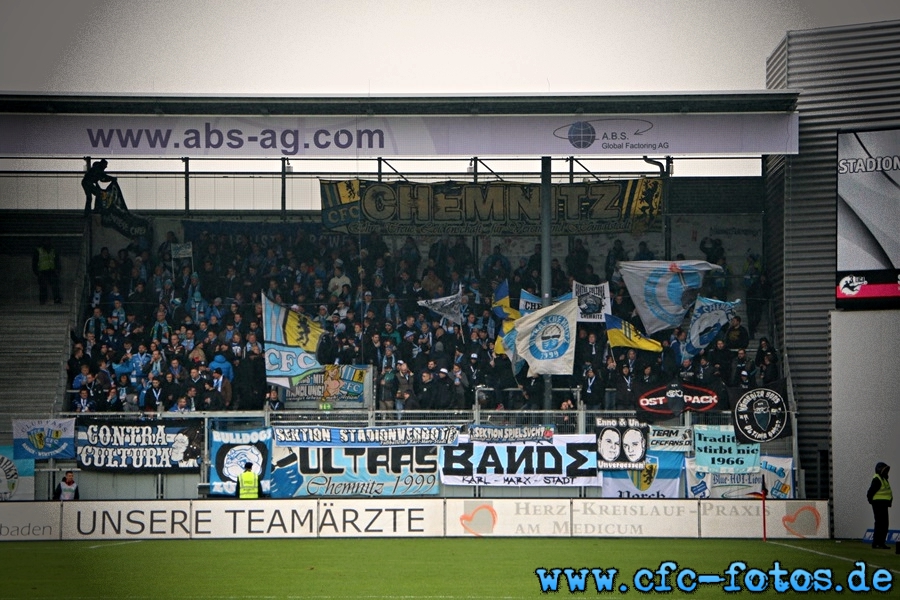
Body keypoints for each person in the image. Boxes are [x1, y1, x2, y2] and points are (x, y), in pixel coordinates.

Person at [866, 462, 892, 549]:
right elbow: (870, 492)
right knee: (880, 523)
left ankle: (881, 543)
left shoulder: (883, 479)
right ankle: (877, 543)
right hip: (878, 504)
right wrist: (872, 501)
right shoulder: (877, 479)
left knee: (884, 524)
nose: (886, 472)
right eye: (884, 470)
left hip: (883, 504)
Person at [33, 238, 62, 304]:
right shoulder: (38, 251)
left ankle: (57, 299)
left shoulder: (53, 250)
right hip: (42, 272)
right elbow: (34, 262)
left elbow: (57, 261)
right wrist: (37, 273)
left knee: (55, 286)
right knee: (43, 287)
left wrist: (57, 270)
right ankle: (43, 300)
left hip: (52, 271)